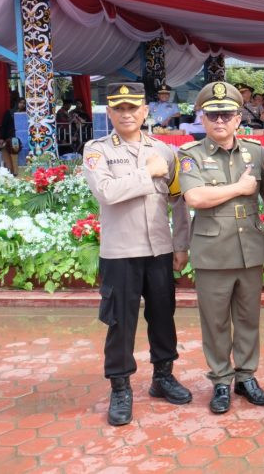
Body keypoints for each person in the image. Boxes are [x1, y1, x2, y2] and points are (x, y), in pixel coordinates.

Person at [82, 82, 192, 427]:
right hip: (121, 252)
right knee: (120, 321)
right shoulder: (97, 150)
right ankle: (120, 387)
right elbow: (106, 192)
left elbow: (178, 202)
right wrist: (147, 173)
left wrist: (181, 244)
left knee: (163, 317)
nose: (127, 114)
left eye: (133, 108)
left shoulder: (165, 152)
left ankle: (163, 376)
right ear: (110, 113)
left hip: (159, 249)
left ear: (145, 111)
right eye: (119, 108)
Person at [178, 82, 264, 414]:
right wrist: (238, 188)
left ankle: (246, 377)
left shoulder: (256, 152)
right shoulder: (191, 155)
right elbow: (195, 198)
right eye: (213, 115)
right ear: (202, 119)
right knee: (216, 321)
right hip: (213, 251)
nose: (220, 121)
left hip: (250, 247)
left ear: (238, 118)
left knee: (248, 318)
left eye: (226, 114)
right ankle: (221, 379)